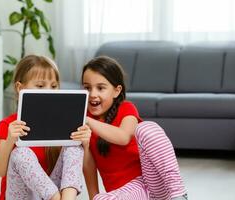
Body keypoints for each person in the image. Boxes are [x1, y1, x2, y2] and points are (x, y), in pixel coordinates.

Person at [79, 56, 187, 200]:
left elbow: (123, 137)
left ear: (116, 91)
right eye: (87, 88)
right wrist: (93, 196)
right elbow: (88, 165)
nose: (93, 94)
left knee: (146, 128)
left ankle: (179, 194)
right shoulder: (85, 120)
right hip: (127, 194)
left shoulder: (126, 108)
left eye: (100, 88)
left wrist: (88, 121)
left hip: (151, 184)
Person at [0, 55, 91, 200]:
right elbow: (0, 171)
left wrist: (85, 144)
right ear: (20, 88)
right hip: (23, 196)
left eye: (53, 86)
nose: (49, 91)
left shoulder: (63, 122)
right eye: (40, 86)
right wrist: (10, 140)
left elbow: (79, 168)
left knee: (74, 147)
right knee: (21, 153)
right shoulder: (8, 124)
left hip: (52, 192)